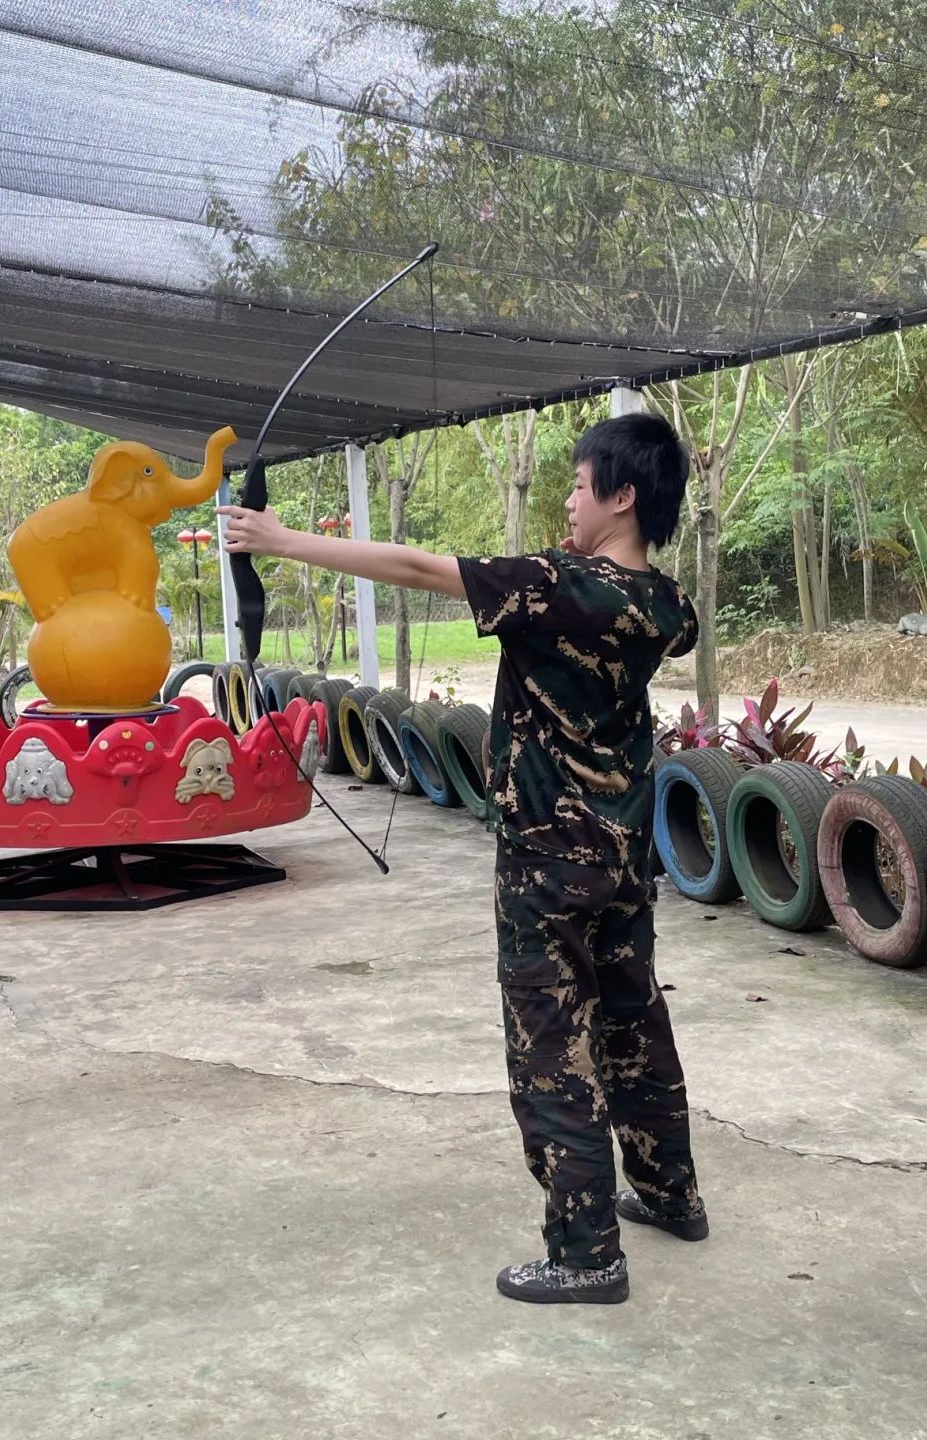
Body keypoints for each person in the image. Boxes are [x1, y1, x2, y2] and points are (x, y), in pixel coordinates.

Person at [220, 410, 705, 1306]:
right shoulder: (668, 605)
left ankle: (587, 1254)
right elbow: (668, 630)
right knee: (631, 1019)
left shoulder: (554, 586)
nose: (568, 499)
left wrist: (280, 542)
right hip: (624, 858)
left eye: (578, 484)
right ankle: (672, 1193)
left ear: (623, 496)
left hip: (547, 862)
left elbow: (414, 567)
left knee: (550, 1043)